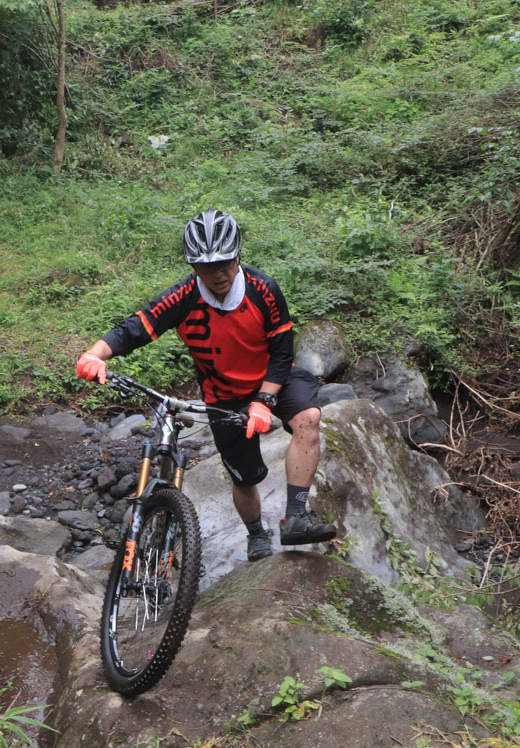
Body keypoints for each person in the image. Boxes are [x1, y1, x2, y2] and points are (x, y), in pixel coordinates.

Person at [75, 208, 337, 562]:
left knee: (308, 417)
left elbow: (281, 351)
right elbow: (135, 328)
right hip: (224, 395)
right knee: (244, 478)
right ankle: (256, 534)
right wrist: (95, 354)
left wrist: (264, 400)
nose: (218, 273)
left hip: (273, 378)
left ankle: (296, 517)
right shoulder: (184, 296)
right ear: (193, 266)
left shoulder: (264, 289)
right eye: (206, 266)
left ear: (238, 257)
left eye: (226, 263)